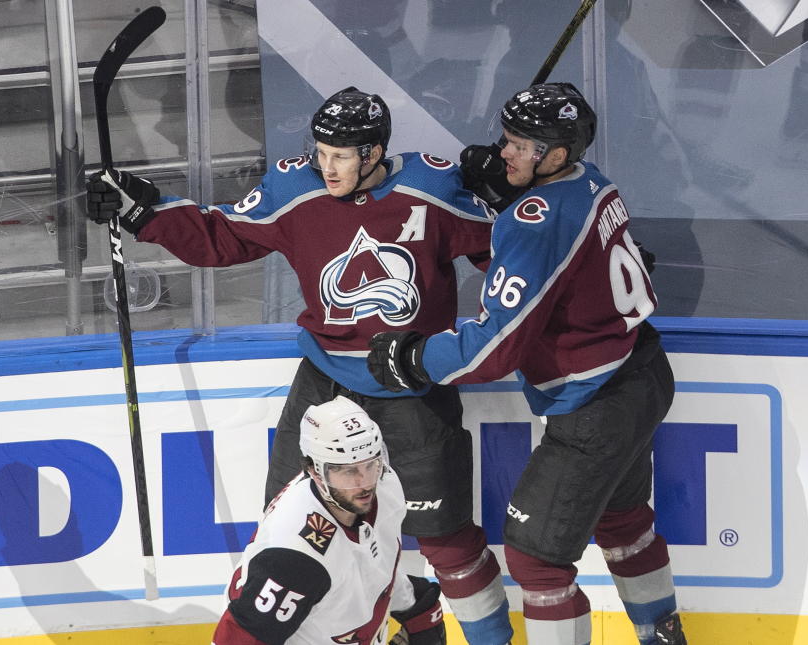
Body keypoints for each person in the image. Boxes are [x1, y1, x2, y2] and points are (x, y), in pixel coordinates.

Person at [85, 87, 514, 644]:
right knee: (289, 529)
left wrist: (513, 200)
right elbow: (223, 237)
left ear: (375, 152)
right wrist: (144, 211)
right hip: (326, 382)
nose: (325, 166)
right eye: (320, 151)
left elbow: (509, 252)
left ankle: (491, 639)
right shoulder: (295, 187)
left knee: (444, 535)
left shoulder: (431, 188)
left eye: (340, 155)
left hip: (413, 384)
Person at [368, 82, 687, 645]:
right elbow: (584, 260)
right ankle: (664, 636)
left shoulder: (534, 220)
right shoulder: (596, 184)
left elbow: (498, 345)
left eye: (519, 144)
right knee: (623, 521)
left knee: (536, 559)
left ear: (556, 156)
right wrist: (507, 194)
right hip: (643, 372)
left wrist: (417, 355)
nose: (503, 151)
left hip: (594, 405)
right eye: (507, 138)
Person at [211, 395, 445, 644]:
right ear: (314, 471)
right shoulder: (295, 556)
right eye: (347, 471)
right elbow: (238, 638)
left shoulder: (385, 485)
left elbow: (369, 565)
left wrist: (414, 607)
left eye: (371, 464)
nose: (364, 483)